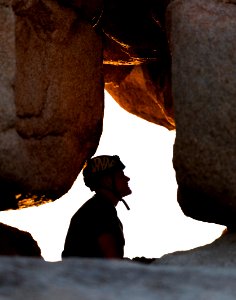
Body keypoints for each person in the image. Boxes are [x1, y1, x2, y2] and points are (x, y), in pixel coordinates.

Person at [62, 155, 132, 259]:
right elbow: (112, 259)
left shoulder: (95, 208)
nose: (127, 178)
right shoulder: (101, 210)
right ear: (107, 181)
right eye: (120, 175)